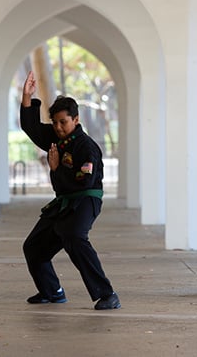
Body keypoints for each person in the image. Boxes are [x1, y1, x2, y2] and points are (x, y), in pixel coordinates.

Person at [20, 70, 121, 310]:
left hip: (86, 200)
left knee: (74, 236)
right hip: (65, 200)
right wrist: (26, 97)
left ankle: (107, 294)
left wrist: (56, 169)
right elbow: (32, 128)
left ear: (75, 120)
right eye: (54, 123)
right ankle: (52, 291)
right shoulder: (56, 138)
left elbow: (83, 183)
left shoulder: (87, 148)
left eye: (63, 122)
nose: (58, 127)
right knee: (33, 246)